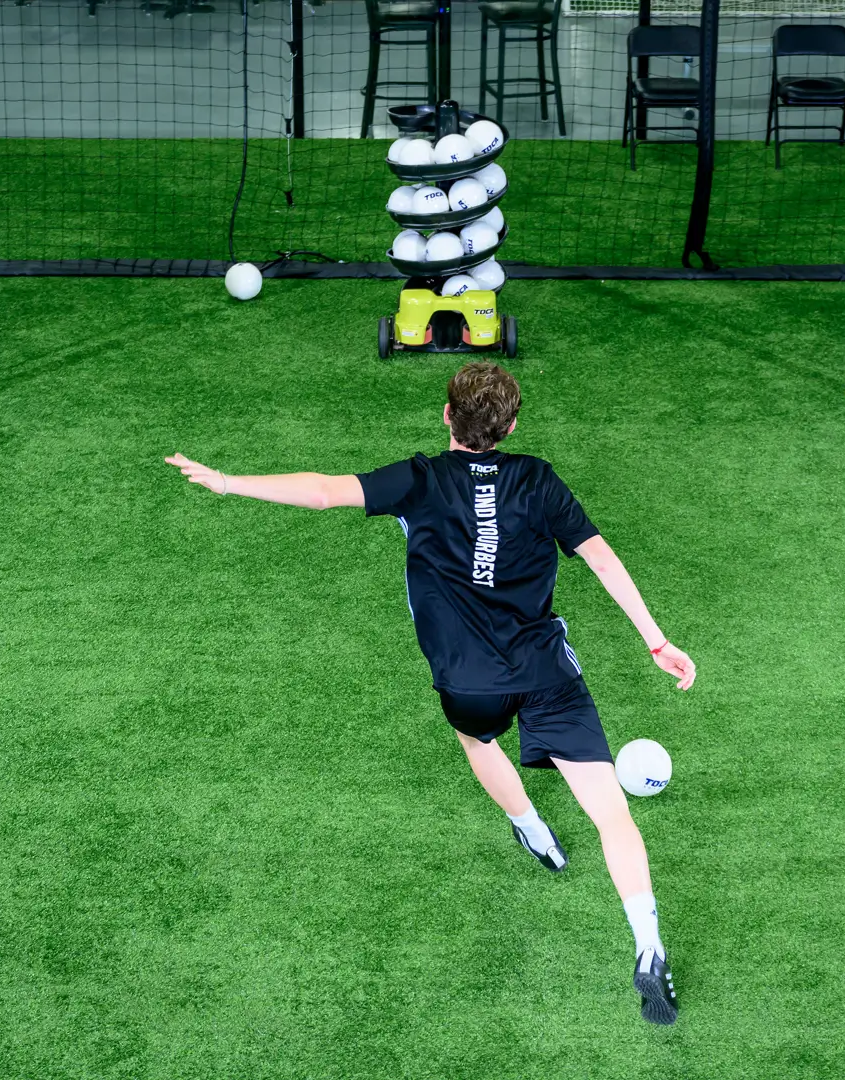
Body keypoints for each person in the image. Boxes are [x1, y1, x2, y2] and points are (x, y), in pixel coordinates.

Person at [165, 361, 696, 1025]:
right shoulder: (537, 479)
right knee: (612, 815)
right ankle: (647, 944)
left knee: (476, 736)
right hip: (545, 674)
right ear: (510, 426)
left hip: (467, 680)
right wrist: (656, 639)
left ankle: (530, 827)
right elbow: (600, 556)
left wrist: (228, 482)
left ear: (448, 416)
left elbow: (326, 492)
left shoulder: (420, 480)